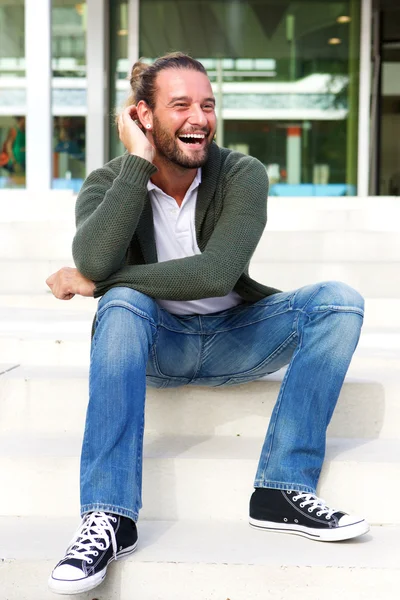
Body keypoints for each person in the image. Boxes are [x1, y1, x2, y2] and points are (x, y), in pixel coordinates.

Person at [45, 52, 368, 595]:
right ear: (142, 116)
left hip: (234, 339)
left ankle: (282, 489)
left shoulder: (241, 173)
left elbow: (218, 273)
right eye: (180, 105)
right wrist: (136, 165)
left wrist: (96, 282)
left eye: (207, 104)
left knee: (340, 301)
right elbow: (97, 258)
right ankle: (108, 517)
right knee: (123, 303)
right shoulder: (107, 182)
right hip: (156, 345)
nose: (199, 117)